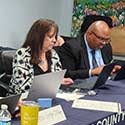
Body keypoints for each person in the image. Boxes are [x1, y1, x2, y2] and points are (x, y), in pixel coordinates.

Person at [9, 19, 73, 95]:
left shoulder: (53, 54)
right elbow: (23, 86)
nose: (54, 40)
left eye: (55, 37)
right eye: (50, 37)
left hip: (48, 97)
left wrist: (60, 81)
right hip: (23, 101)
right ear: (39, 37)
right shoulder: (22, 54)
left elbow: (56, 79)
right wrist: (52, 83)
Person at [56, 15, 121, 80]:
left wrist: (112, 68)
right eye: (101, 39)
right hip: (82, 86)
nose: (103, 43)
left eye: (107, 40)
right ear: (89, 34)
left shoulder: (106, 46)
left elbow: (107, 66)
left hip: (104, 83)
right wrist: (91, 72)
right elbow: (67, 74)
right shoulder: (71, 47)